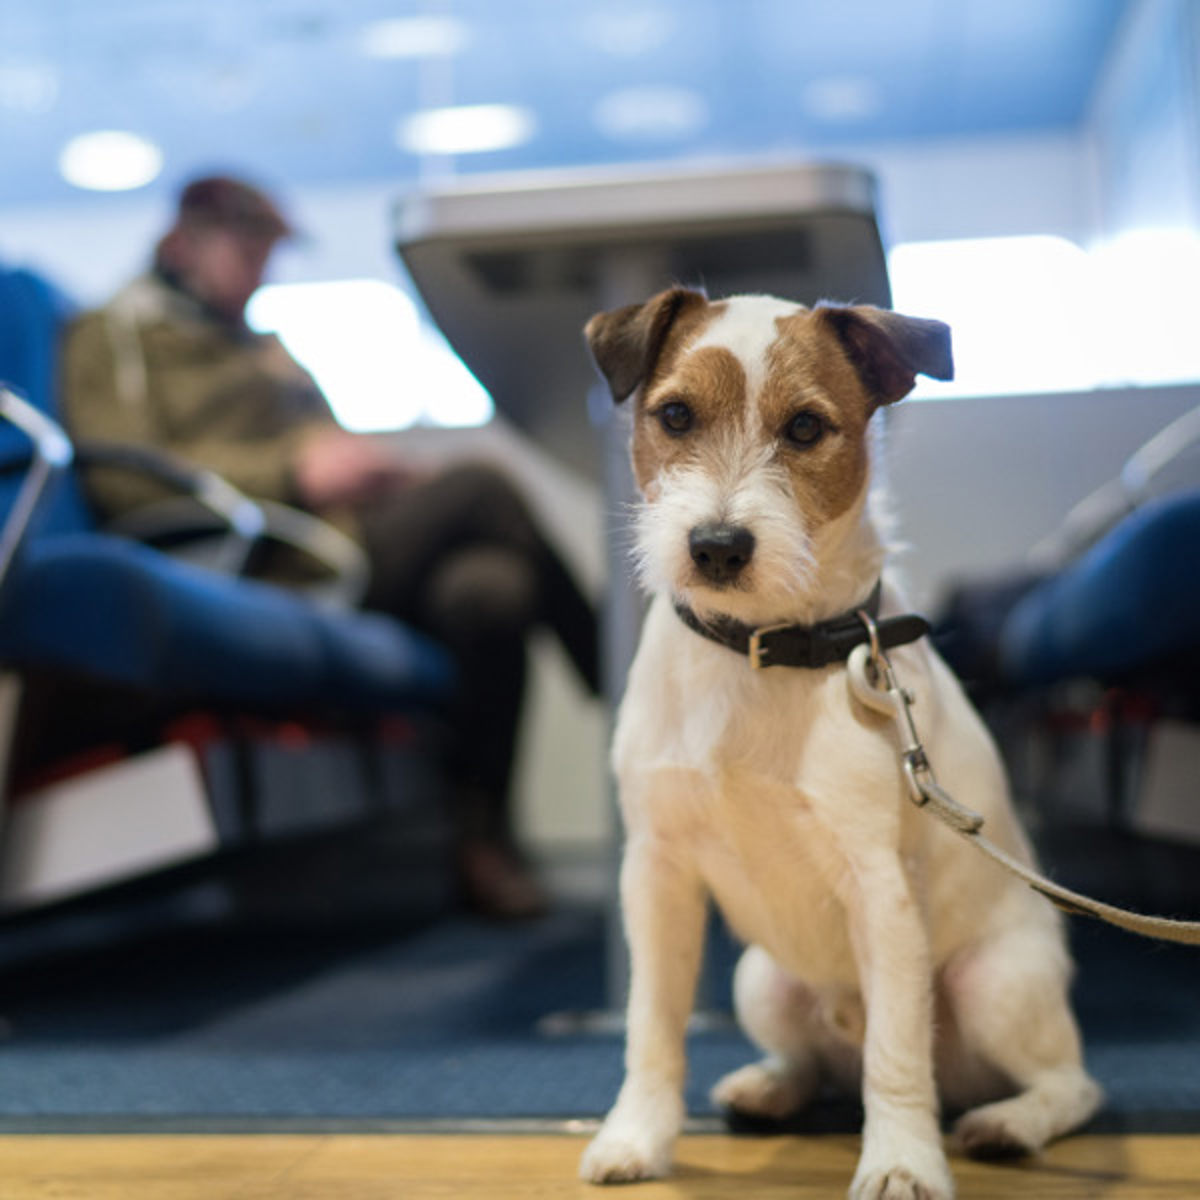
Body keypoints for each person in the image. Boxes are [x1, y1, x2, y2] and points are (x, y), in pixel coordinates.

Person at [61, 174, 601, 920]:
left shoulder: (262, 346)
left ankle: (481, 840)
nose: (262, 273)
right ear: (185, 244)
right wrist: (291, 472)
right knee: (482, 485)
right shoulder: (113, 336)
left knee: (489, 589)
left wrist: (365, 473)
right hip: (270, 559)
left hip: (342, 537)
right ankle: (619, 683)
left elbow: (325, 441)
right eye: (248, 252)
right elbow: (123, 474)